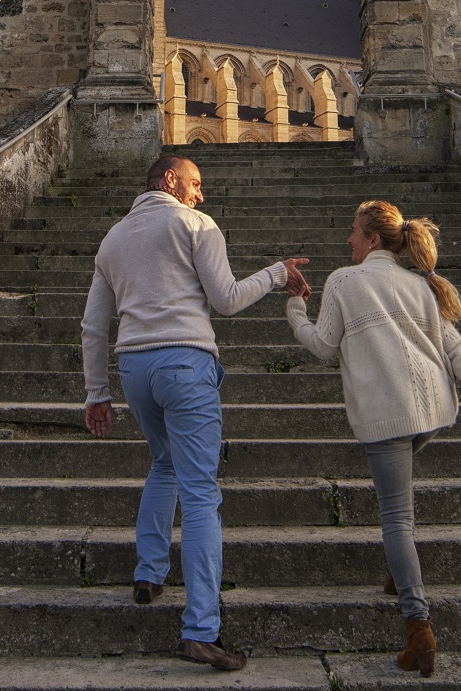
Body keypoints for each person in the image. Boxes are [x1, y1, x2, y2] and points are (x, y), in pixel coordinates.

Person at [81, 154, 308, 671]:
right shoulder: (194, 223)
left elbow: (93, 327)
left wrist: (97, 392)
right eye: (195, 183)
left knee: (163, 464)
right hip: (184, 361)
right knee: (202, 493)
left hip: (135, 368)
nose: (201, 194)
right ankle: (201, 628)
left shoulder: (113, 239)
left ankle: (148, 572)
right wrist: (277, 274)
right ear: (169, 180)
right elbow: (225, 300)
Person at [283, 198, 461, 677]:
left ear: (372, 239)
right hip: (432, 411)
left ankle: (419, 627)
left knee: (396, 517)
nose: (347, 238)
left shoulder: (345, 281)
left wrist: (294, 308)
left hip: (387, 416)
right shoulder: (418, 283)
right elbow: (456, 350)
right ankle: (399, 568)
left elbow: (323, 348)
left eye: (353, 231)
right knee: (400, 503)